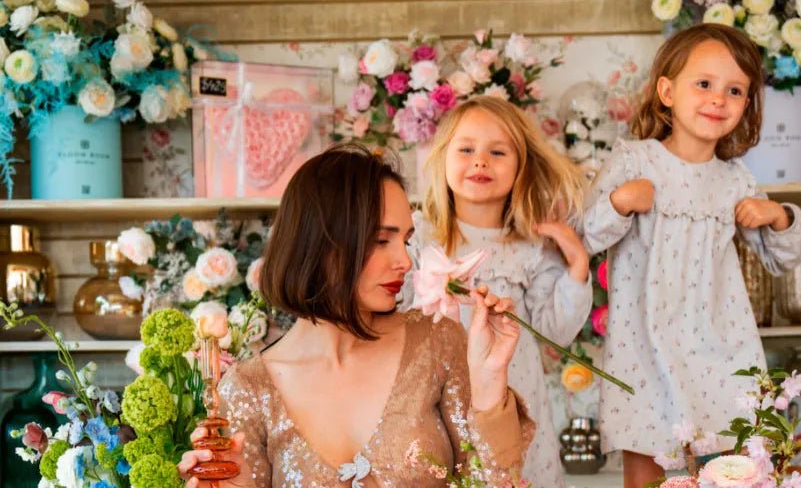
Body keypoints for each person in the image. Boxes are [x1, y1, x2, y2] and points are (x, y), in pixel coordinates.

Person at [178, 144, 534, 488]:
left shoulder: (436, 344)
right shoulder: (248, 389)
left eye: (405, 241)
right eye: (381, 240)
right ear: (318, 244)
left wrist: (488, 382)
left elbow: (496, 482)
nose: (405, 262)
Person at [583, 23, 801, 488]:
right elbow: (586, 237)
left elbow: (781, 260)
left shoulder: (735, 180)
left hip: (720, 350)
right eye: (703, 84)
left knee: (729, 471)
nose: (717, 99)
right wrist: (621, 202)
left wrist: (778, 216)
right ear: (667, 90)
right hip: (643, 348)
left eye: (734, 90)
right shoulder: (634, 162)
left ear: (747, 104)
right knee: (646, 472)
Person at [404, 96, 592, 488]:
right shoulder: (418, 237)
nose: (480, 161)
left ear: (521, 166)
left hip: (513, 398)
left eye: (497, 151)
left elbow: (554, 330)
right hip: (435, 398)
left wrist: (577, 266)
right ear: (442, 159)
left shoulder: (530, 247)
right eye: (467, 149)